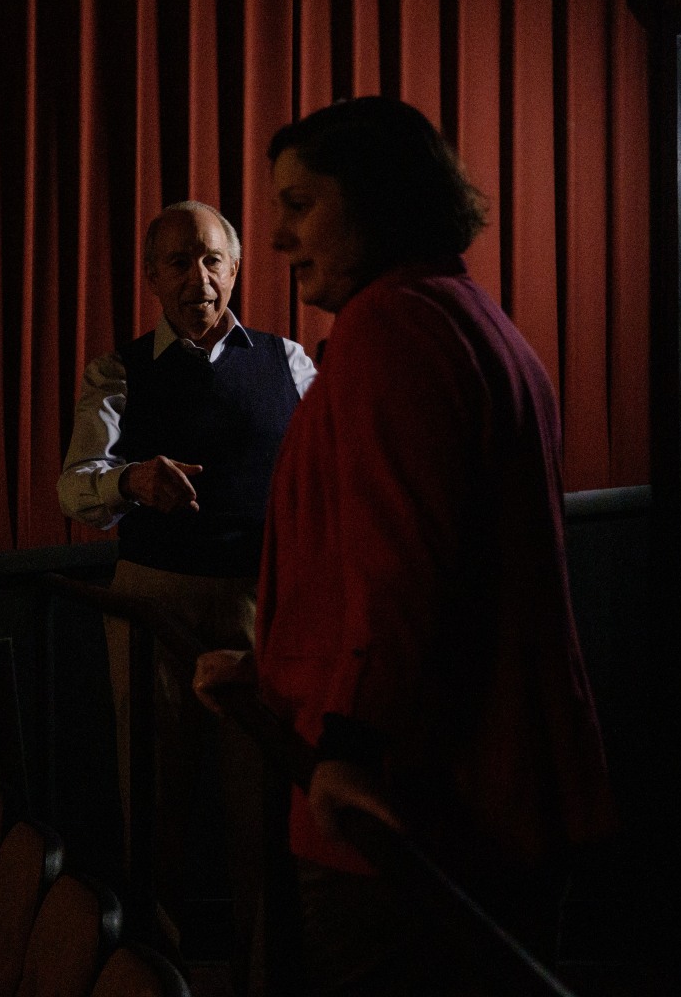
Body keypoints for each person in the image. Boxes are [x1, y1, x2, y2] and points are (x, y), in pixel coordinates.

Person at [195, 97, 617, 993]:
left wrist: (348, 745)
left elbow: (401, 573)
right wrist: (275, 677)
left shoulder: (391, 332)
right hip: (488, 790)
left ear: (378, 198)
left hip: (416, 801)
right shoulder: (463, 315)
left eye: (300, 204)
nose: (278, 237)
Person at [59, 199, 316, 996]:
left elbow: (324, 474)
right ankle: (152, 980)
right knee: (154, 810)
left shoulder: (290, 361)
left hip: (258, 606)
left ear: (234, 269)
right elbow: (74, 485)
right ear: (151, 277)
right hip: (152, 607)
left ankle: (264, 982)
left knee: (261, 812)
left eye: (211, 259)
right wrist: (131, 480)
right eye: (178, 262)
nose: (197, 277)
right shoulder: (117, 371)